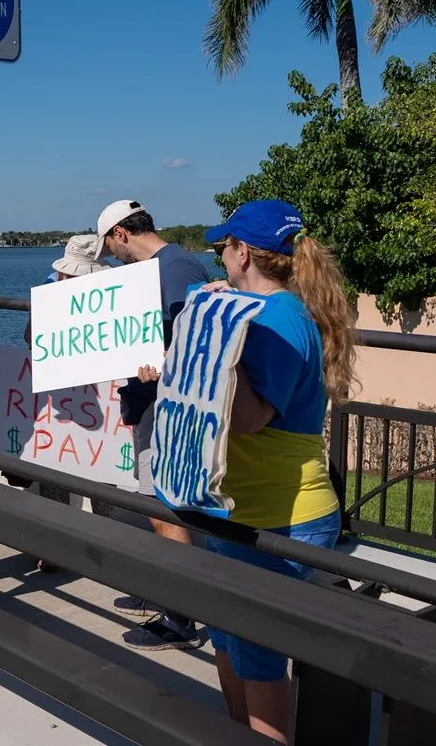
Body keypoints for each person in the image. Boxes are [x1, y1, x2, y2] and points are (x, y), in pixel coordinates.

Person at [188, 200, 354, 743]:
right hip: (242, 508)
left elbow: (251, 419)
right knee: (228, 639)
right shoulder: (261, 310)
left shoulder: (279, 320)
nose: (219, 261)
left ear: (243, 254)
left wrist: (215, 341)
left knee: (258, 658)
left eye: (223, 250)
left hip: (284, 518)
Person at [91, 199, 211, 649]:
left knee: (165, 509)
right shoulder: (166, 267)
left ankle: (180, 616)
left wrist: (162, 366)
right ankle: (168, 592)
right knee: (157, 504)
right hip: (150, 402)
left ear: (121, 233)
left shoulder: (175, 270)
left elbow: (192, 340)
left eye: (109, 247)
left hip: (167, 407)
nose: (111, 256)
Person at [18, 234, 116, 571]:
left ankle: (101, 546)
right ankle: (60, 545)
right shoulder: (49, 292)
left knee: (100, 470)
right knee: (56, 466)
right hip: (64, 393)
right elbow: (31, 337)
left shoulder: (115, 298)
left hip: (99, 396)